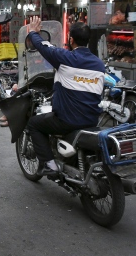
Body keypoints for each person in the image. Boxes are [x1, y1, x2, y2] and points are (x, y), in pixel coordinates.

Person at [25, 16, 105, 176]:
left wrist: (33, 32)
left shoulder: (66, 58)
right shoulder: (99, 64)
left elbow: (43, 46)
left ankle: (49, 164)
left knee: (34, 124)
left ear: (71, 39)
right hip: (92, 120)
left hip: (67, 121)